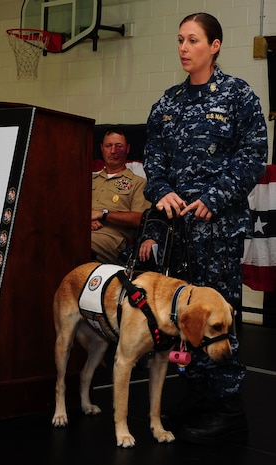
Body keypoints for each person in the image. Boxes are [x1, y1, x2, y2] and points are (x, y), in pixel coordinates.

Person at [143, 12, 268, 444]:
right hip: (178, 236)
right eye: (179, 39)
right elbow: (153, 156)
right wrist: (160, 190)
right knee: (186, 319)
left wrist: (213, 199)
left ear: (214, 46)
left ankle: (228, 409)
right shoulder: (167, 103)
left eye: (192, 40)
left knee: (218, 317)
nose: (183, 47)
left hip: (217, 232)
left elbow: (253, 156)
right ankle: (199, 398)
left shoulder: (237, 95)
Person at [91, 126, 151, 263]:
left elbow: (141, 220)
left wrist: (104, 213)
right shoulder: (89, 180)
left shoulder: (138, 183)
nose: (113, 151)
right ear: (101, 148)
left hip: (110, 241)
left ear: (128, 149)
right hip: (80, 232)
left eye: (119, 146)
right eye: (108, 146)